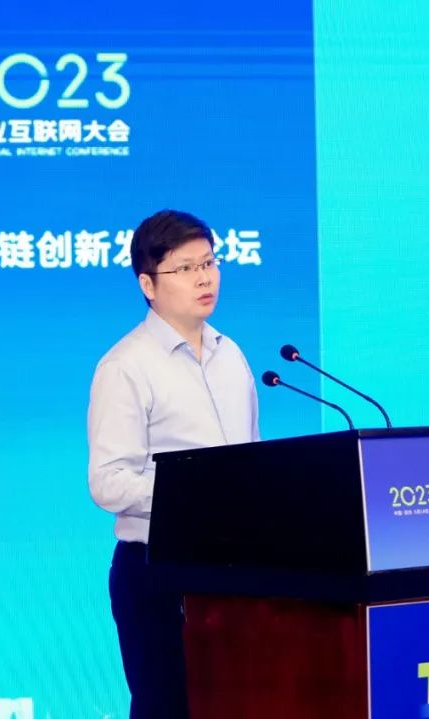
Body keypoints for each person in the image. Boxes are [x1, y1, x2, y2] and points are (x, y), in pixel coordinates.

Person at [87, 209, 260, 719]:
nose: (204, 278)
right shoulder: (125, 366)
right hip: (158, 574)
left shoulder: (232, 356)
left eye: (209, 263)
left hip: (235, 570)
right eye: (185, 268)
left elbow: (249, 458)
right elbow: (107, 482)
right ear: (148, 284)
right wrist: (189, 495)